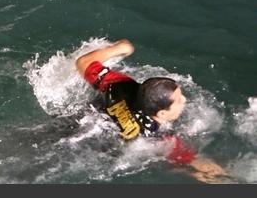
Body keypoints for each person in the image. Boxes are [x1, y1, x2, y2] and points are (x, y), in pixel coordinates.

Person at [75, 39, 231, 183]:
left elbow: (83, 62)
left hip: (74, 125)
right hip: (87, 152)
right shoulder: (157, 138)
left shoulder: (121, 86)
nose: (184, 100)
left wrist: (118, 48)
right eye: (178, 100)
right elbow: (198, 165)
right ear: (162, 113)